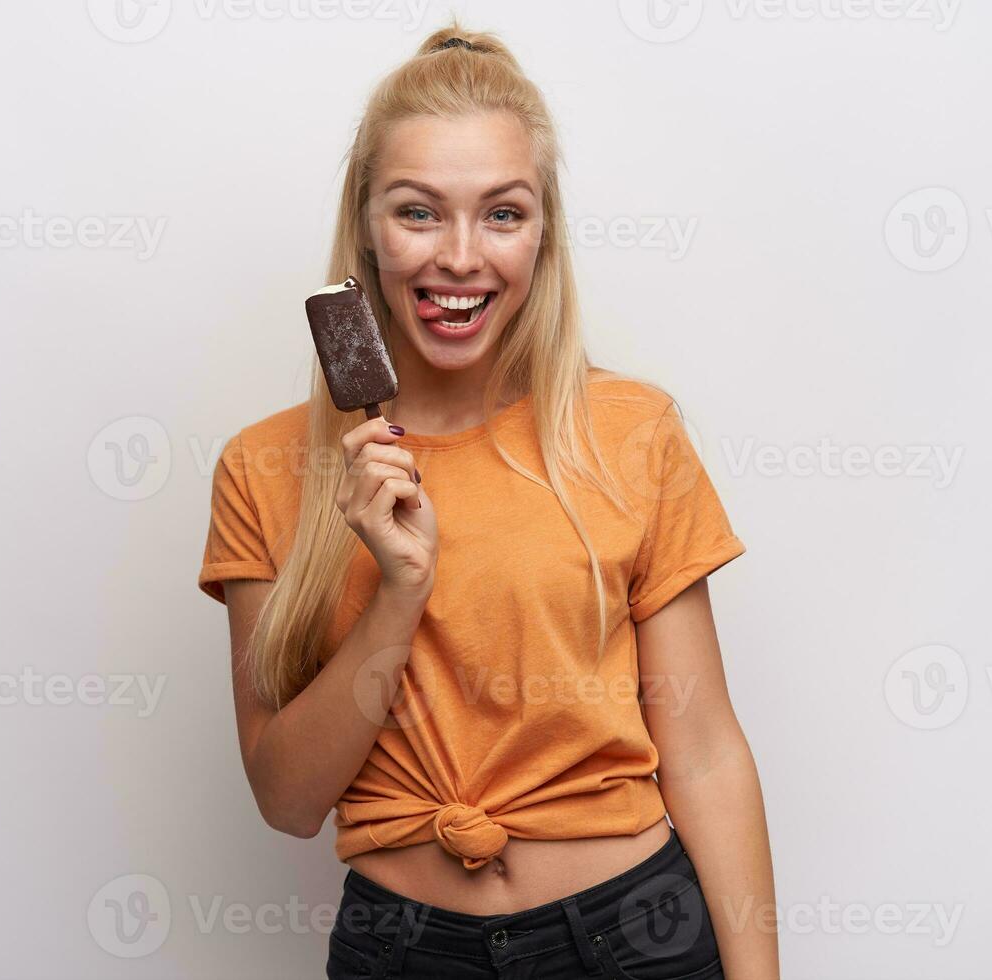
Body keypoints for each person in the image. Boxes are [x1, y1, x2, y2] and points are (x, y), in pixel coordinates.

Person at [199, 21, 779, 979]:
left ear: (542, 231)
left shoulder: (629, 432)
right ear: (366, 225)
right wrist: (398, 589)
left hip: (637, 938)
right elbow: (288, 800)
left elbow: (707, 749)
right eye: (419, 213)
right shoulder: (264, 470)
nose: (461, 258)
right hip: (402, 952)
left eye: (502, 214)